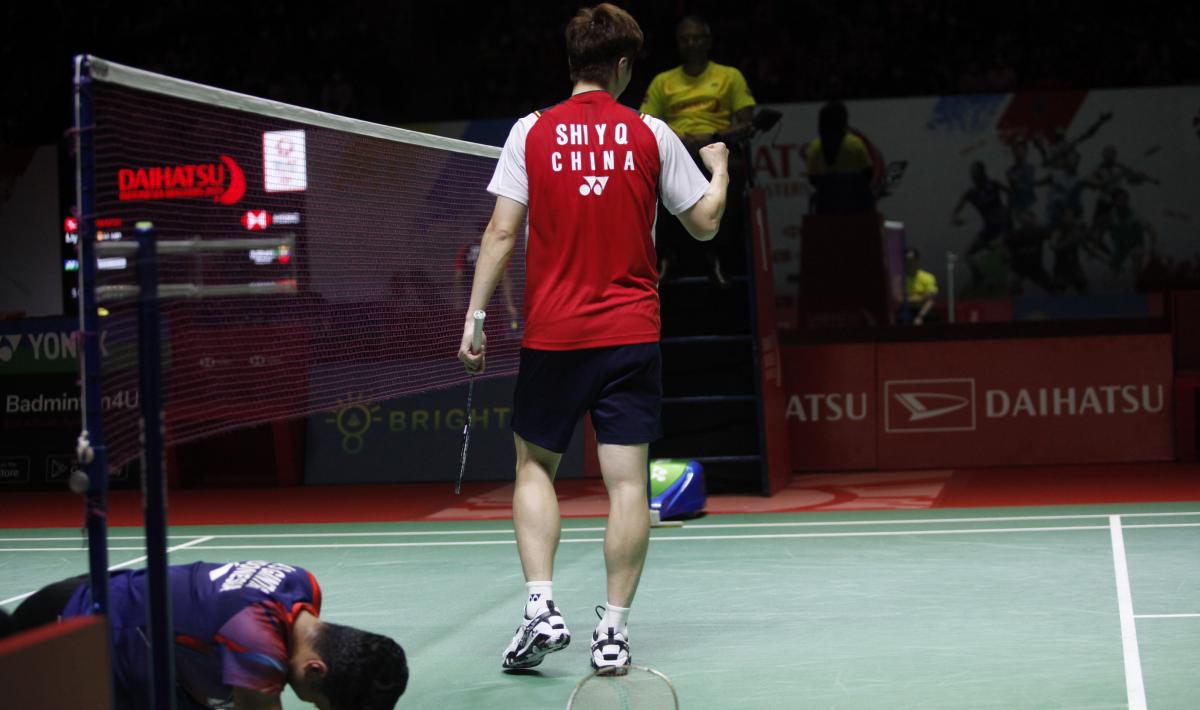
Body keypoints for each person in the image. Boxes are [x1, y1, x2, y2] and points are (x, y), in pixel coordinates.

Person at [457, 4, 727, 671]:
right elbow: (705, 225)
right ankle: (614, 634)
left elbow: (499, 232)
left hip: (554, 335)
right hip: (631, 334)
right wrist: (719, 164)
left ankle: (541, 605)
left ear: (572, 63)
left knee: (533, 467)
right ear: (626, 66)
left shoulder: (531, 131)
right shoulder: (651, 133)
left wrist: (476, 316)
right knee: (628, 485)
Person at [5, 561, 407, 710]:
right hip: (71, 629)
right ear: (315, 670)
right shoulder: (257, 650)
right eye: (320, 706)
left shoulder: (303, 584)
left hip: (113, 609)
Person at [639, 14, 755, 287]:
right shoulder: (662, 82)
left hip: (717, 148)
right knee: (650, 177)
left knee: (736, 170)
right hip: (677, 148)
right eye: (684, 39)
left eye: (696, 37)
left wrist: (712, 135)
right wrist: (676, 139)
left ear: (708, 41)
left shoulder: (729, 76)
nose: (691, 43)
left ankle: (720, 257)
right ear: (678, 44)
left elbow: (747, 123)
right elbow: (644, 125)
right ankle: (666, 257)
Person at [804, 101, 881, 214]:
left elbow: (812, 179)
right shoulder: (855, 144)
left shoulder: (814, 148)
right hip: (856, 208)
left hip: (826, 209)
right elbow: (868, 174)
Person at [902, 248, 938, 325]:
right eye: (906, 260)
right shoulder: (899, 280)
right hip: (905, 312)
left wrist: (920, 317)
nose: (909, 263)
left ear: (917, 260)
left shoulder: (928, 277)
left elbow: (930, 298)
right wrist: (921, 297)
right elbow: (898, 300)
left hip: (923, 312)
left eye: (912, 260)